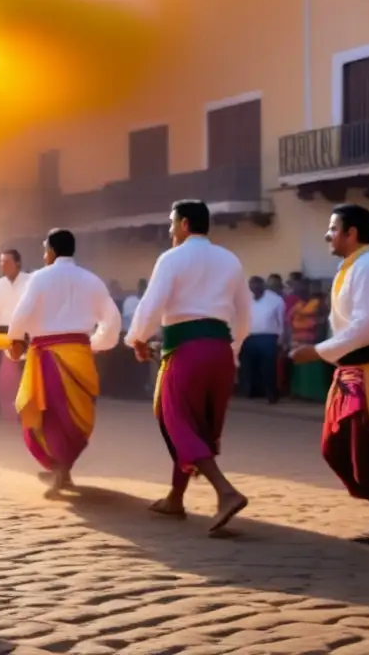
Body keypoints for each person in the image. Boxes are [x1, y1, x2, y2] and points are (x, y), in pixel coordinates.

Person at [126, 200, 252, 533]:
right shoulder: (231, 259)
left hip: (186, 352)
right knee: (198, 425)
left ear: (183, 224)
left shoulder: (172, 258)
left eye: (171, 224)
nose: (169, 231)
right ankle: (176, 496)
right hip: (221, 352)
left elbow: (151, 305)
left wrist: (136, 339)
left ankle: (225, 491)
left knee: (175, 420)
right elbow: (244, 317)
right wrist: (232, 350)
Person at [7, 229, 121, 495]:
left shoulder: (39, 278)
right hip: (79, 355)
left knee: (48, 414)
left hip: (46, 356)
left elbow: (21, 313)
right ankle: (64, 469)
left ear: (52, 251)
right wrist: (96, 343)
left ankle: (59, 469)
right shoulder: (91, 280)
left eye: (45, 249)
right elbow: (112, 320)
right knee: (77, 416)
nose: (44, 254)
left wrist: (14, 339)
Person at [290, 203, 369, 542]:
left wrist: (317, 351)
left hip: (367, 370)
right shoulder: (350, 267)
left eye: (333, 228)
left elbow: (367, 326)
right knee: (338, 447)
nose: (328, 235)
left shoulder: (368, 266)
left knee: (362, 448)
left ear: (351, 233)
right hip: (349, 371)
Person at [0, 249, 30, 420]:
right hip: (2, 334)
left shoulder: (30, 282)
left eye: (7, 262)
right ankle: (8, 414)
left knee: (27, 375)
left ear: (18, 263)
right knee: (6, 377)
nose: (3, 265)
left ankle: (27, 412)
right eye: (1, 262)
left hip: (26, 333)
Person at [239, 276, 284, 403]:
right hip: (249, 336)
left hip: (268, 337)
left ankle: (272, 394)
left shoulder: (275, 300)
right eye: (252, 287)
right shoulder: (246, 299)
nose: (254, 289)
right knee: (249, 366)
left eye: (257, 286)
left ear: (263, 285)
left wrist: (281, 337)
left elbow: (281, 321)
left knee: (268, 367)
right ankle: (253, 392)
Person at [287, 279, 331, 402]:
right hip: (298, 341)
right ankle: (299, 392)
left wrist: (319, 338)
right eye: (298, 290)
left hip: (313, 340)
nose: (300, 292)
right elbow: (290, 319)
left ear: (309, 290)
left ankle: (315, 394)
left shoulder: (319, 304)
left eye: (303, 289)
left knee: (313, 368)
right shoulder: (298, 304)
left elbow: (323, 321)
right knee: (299, 369)